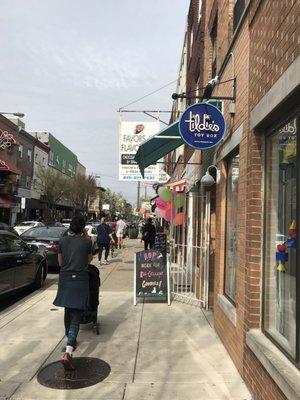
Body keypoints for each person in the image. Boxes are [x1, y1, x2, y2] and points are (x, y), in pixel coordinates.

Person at [53, 215, 93, 370]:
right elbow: (88, 260)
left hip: (65, 279)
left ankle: (69, 338)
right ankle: (69, 350)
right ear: (83, 228)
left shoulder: (62, 241)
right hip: (80, 280)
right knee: (76, 314)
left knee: (68, 310)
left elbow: (60, 262)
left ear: (70, 227)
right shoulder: (87, 242)